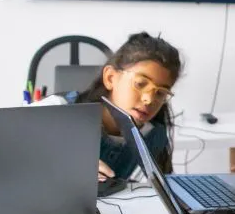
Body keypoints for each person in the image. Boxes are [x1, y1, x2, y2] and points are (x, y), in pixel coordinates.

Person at [32, 31, 182, 181]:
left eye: (160, 93)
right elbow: (11, 154)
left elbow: (164, 190)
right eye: (140, 83)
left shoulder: (153, 133)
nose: (149, 99)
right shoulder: (56, 110)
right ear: (110, 78)